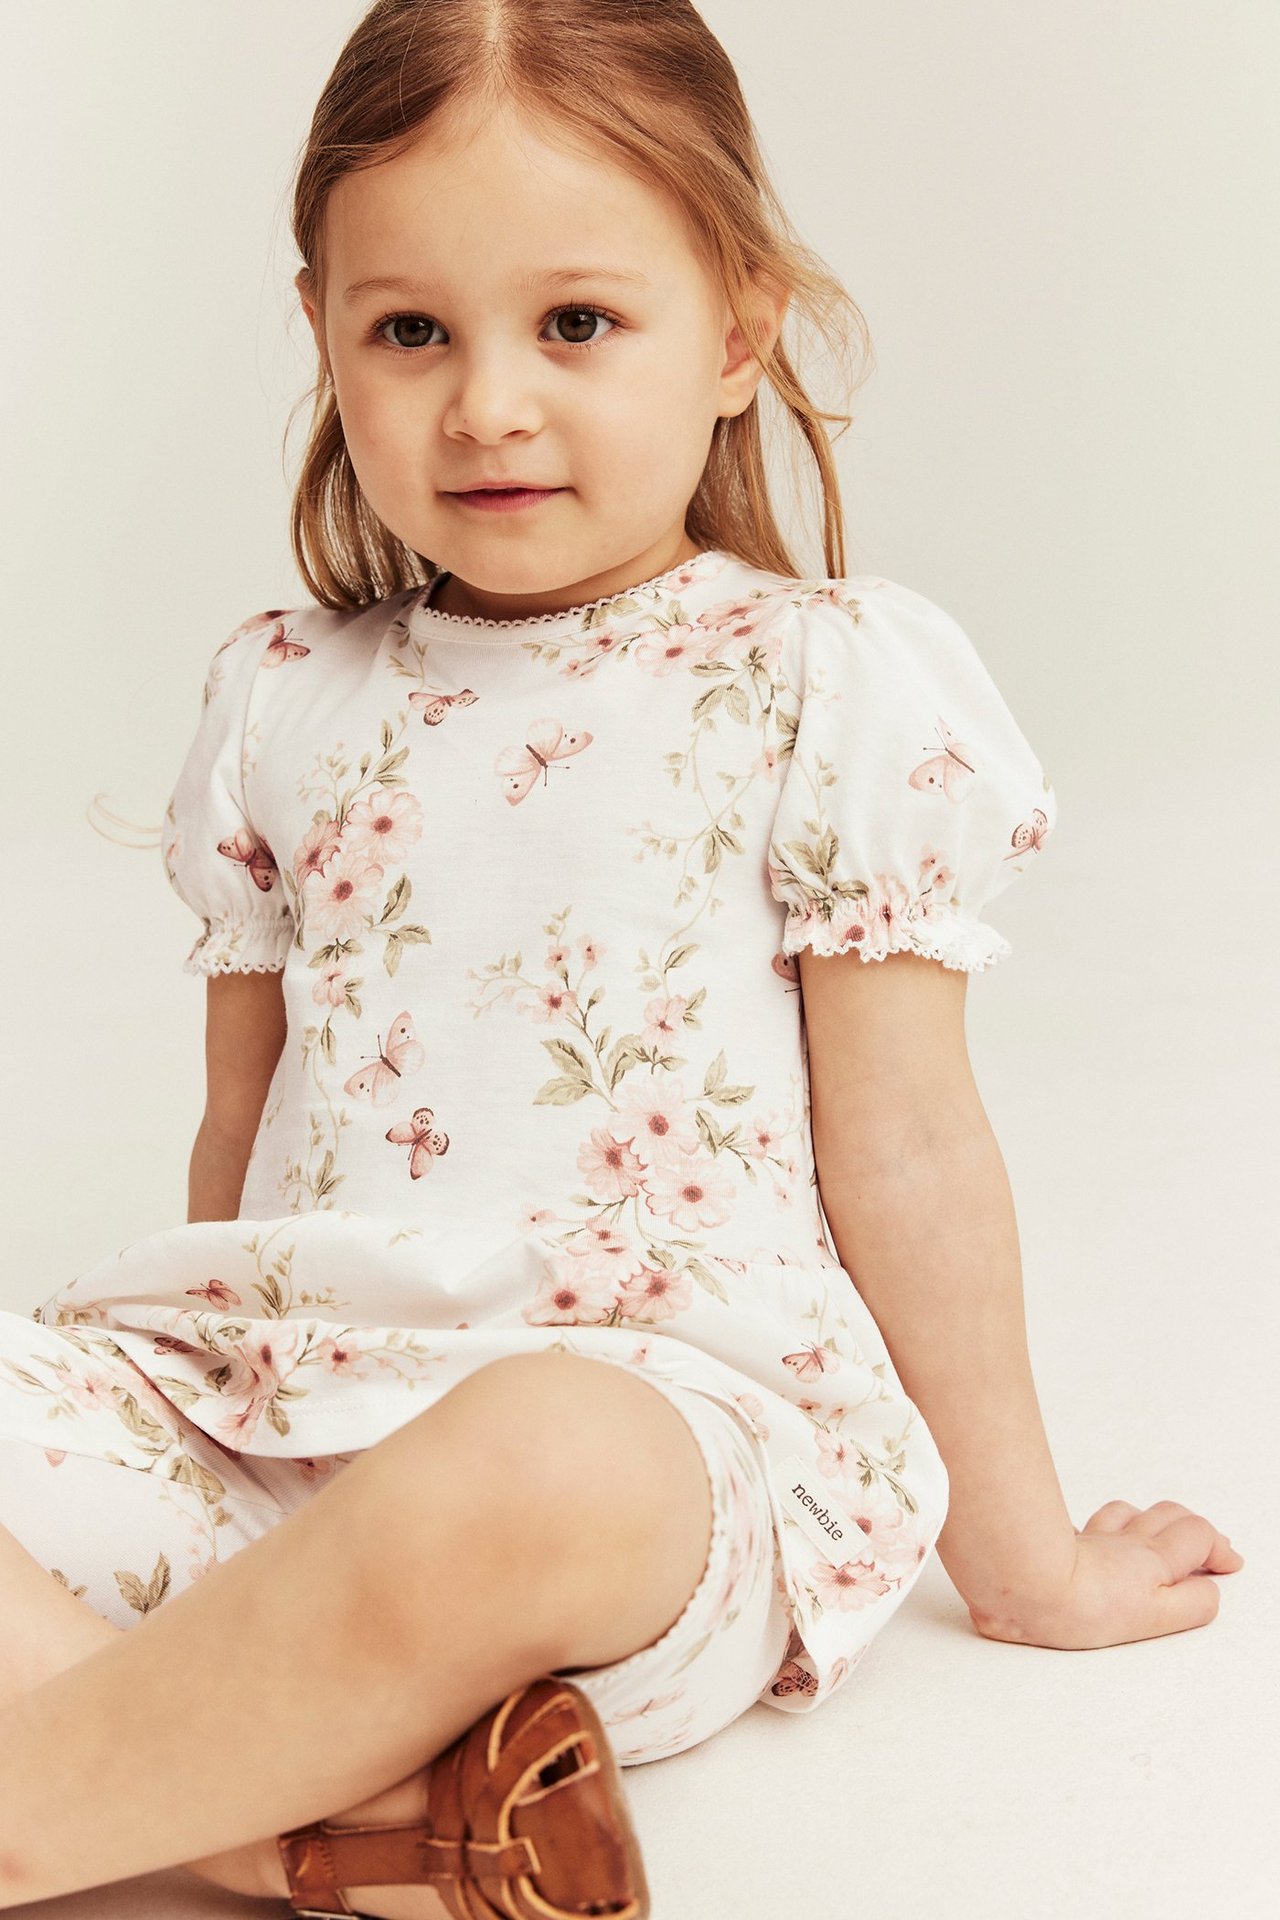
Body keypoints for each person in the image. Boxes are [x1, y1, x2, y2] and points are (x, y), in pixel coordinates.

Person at [0, 1, 1244, 1914]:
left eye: (575, 323)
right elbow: (237, 1137)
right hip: (275, 1426)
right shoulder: (282, 696)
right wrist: (205, 1394)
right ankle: (311, 1834)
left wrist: (1027, 1563)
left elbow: (911, 1150)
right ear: (325, 331)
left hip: (651, 1456)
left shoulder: (822, 682)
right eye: (411, 331)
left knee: (535, 1455)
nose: (488, 404)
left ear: (738, 333)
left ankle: (72, 1799)